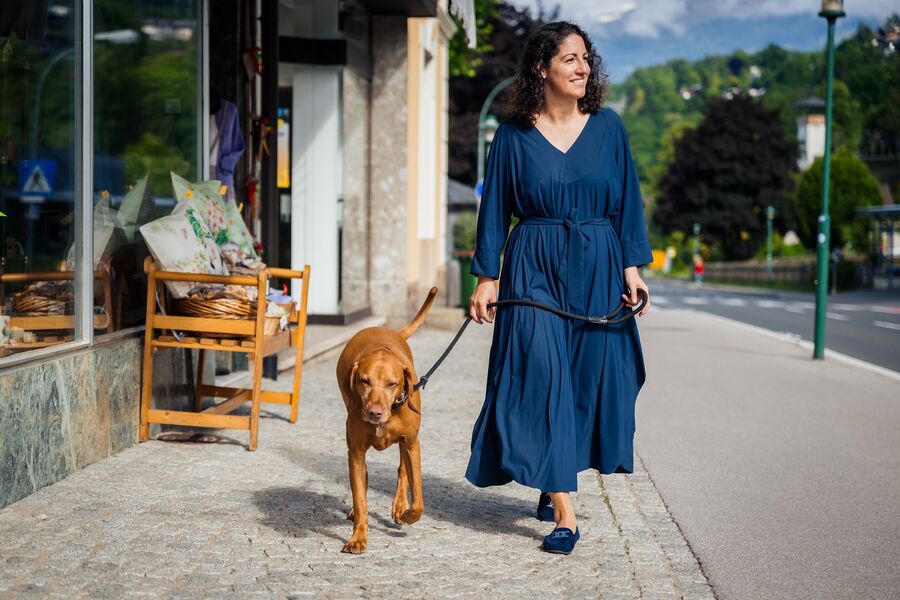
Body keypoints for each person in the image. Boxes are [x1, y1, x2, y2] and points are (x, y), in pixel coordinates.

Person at [466, 21, 652, 555]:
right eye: (570, 58)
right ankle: (565, 512)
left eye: (585, 58)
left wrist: (632, 268)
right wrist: (486, 277)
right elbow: (495, 207)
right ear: (543, 67)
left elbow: (627, 202)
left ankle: (553, 476)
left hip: (598, 265)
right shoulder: (512, 135)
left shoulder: (609, 129)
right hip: (533, 266)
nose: (582, 67)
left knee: (583, 380)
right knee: (541, 374)